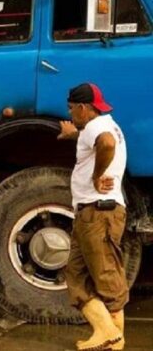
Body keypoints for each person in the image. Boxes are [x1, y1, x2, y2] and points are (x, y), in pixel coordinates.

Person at [58, 83, 127, 351]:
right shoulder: (102, 124)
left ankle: (112, 339)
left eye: (71, 109)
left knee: (106, 278)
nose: (70, 113)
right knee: (76, 275)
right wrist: (72, 134)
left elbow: (105, 143)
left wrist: (97, 176)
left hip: (99, 212)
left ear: (84, 108)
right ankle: (107, 333)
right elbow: (95, 137)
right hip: (91, 213)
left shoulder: (99, 130)